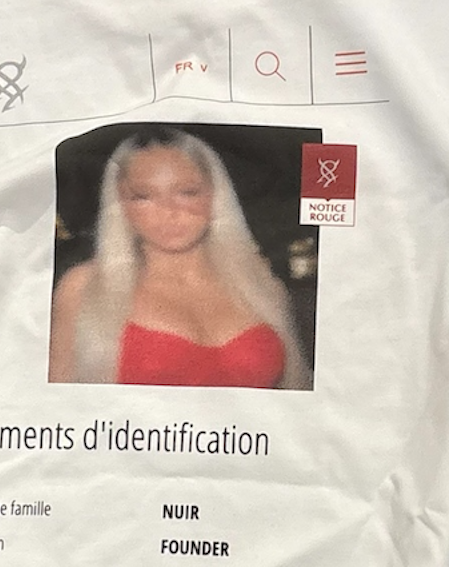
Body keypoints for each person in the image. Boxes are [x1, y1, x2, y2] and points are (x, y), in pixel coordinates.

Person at [49, 129, 312, 388]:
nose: (169, 211)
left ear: (215, 195)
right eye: (143, 196)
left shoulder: (260, 285)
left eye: (187, 192)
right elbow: (53, 403)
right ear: (120, 206)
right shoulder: (86, 287)